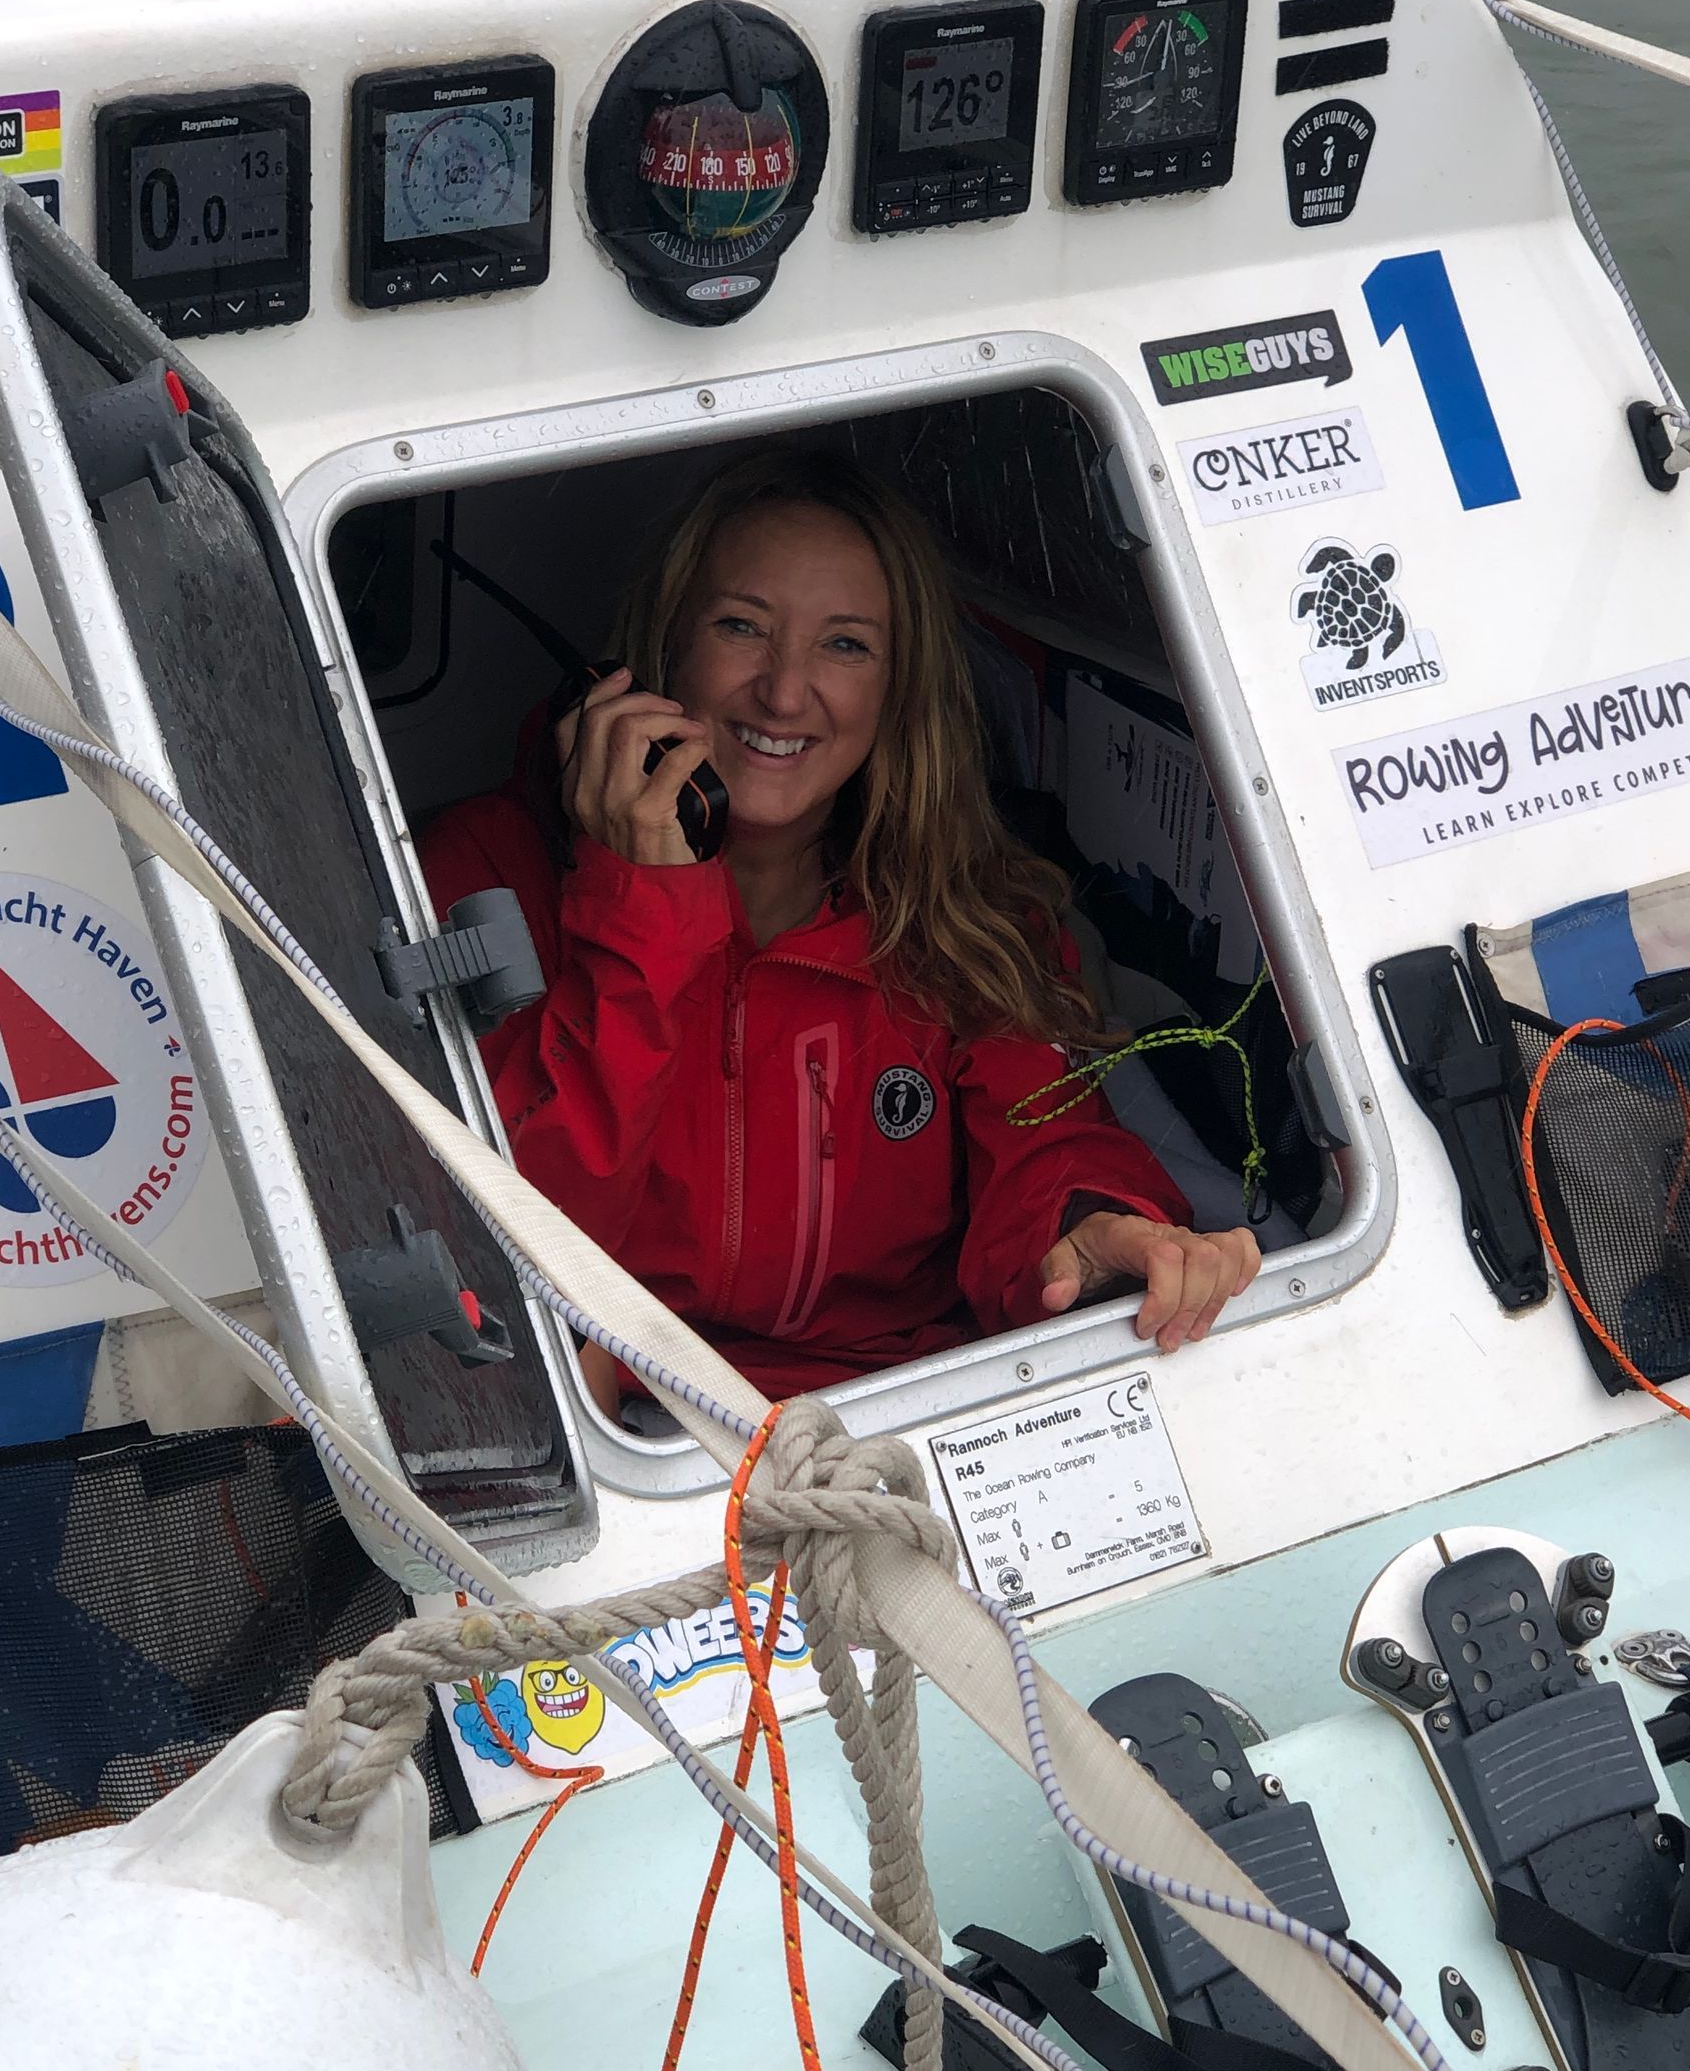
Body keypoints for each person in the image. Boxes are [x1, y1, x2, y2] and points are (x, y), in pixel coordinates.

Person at [420, 448, 1261, 1406]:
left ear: (898, 690)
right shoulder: (487, 873)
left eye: (846, 646)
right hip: (618, 1417)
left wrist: (1095, 1231)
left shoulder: (969, 906)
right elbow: (505, 1242)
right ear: (658, 656)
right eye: (742, 627)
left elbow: (1044, 1146)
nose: (783, 694)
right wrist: (641, 905)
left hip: (892, 1413)